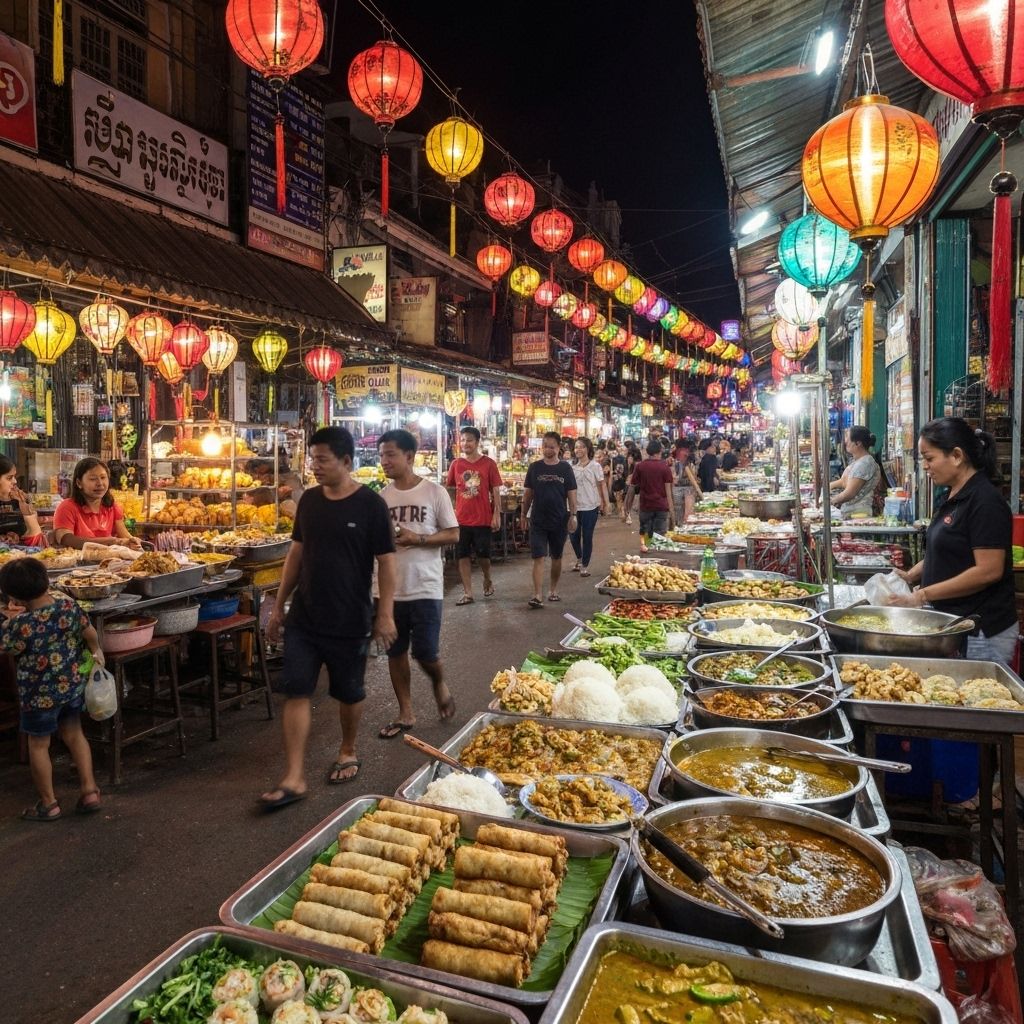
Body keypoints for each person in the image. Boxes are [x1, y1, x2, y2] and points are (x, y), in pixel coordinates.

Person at [260, 426, 397, 809]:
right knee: (297, 689)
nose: (315, 466)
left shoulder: (371, 505)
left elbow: (387, 562)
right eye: (312, 459)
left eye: (322, 459)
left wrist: (384, 614)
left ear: (347, 461)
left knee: (349, 692)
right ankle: (293, 776)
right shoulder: (309, 502)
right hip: (306, 615)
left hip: (350, 616)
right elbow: (296, 554)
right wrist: (279, 605)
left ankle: (348, 748)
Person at [889, 418, 1018, 665]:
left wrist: (923, 595)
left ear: (957, 455)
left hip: (981, 629)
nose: (925, 466)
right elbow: (946, 550)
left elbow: (988, 571)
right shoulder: (953, 495)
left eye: (929, 458)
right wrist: (911, 576)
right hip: (953, 622)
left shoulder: (985, 502)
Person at [0, 557, 103, 821]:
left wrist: (6, 624)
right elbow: (88, 631)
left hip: (38, 696)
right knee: (75, 735)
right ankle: (90, 791)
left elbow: (8, 648)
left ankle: (49, 803)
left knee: (38, 745)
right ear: (47, 582)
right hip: (69, 687)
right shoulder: (68, 607)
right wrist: (96, 650)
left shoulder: (19, 625)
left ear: (13, 596)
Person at [376, 430, 459, 740]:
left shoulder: (435, 493)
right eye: (382, 455)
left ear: (409, 457)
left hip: (426, 585)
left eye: (391, 454)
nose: (384, 461)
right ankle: (405, 712)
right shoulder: (382, 498)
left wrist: (419, 539)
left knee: (425, 652)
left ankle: (439, 683)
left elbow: (453, 534)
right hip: (389, 589)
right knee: (394, 652)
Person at [445, 426, 502, 605]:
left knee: (483, 555)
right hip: (461, 519)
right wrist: (450, 511)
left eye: (469, 440)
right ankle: (468, 592)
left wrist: (496, 514)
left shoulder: (489, 464)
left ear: (477, 442)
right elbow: (451, 489)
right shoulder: (456, 464)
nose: (465, 443)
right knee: (462, 555)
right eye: (462, 440)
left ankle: (487, 577)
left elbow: (496, 490)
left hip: (482, 518)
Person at [521, 431, 577, 608]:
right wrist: (523, 514)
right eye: (545, 446)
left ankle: (553, 590)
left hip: (559, 519)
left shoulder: (565, 469)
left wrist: (573, 516)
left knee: (556, 557)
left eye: (551, 446)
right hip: (538, 519)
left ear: (559, 448)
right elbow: (528, 494)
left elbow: (572, 495)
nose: (548, 449)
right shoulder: (535, 467)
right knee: (538, 556)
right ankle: (537, 595)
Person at [53, 457, 142, 550]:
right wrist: (111, 542)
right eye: (93, 479)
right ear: (79, 483)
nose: (100, 483)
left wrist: (132, 541)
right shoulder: (66, 507)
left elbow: (124, 536)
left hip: (107, 561)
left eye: (103, 477)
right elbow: (66, 539)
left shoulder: (113, 507)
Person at [568, 437, 608, 577]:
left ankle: (584, 565)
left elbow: (601, 484)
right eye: (576, 447)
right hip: (574, 506)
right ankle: (579, 558)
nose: (578, 449)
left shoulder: (595, 466)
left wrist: (605, 503)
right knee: (573, 535)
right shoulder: (571, 467)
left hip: (591, 506)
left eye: (582, 447)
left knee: (587, 536)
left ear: (588, 449)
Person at [625, 439, 675, 543]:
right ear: (660, 451)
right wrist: (672, 511)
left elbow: (632, 487)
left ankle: (647, 554)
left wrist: (627, 508)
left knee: (646, 536)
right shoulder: (665, 467)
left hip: (645, 506)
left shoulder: (640, 466)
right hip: (661, 507)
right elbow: (668, 492)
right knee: (660, 537)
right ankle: (657, 556)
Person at [829, 426, 882, 518]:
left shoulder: (865, 463)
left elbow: (850, 493)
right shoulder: (857, 461)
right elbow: (845, 481)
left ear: (858, 443)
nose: (845, 441)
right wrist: (827, 487)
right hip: (850, 512)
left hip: (858, 515)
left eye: (847, 438)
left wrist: (831, 501)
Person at [0, 455, 43, 545]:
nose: (15, 481)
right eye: (9, 478)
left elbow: (36, 541)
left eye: (14, 476)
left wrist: (27, 511)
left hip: (20, 556)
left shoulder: (18, 500)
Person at [671, 437, 701, 524]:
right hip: (688, 487)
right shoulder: (690, 456)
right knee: (689, 512)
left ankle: (679, 526)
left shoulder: (674, 455)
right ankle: (685, 527)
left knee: (678, 510)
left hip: (678, 487)